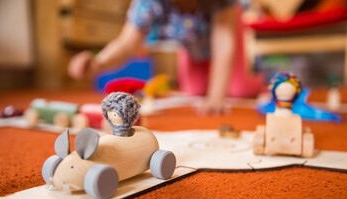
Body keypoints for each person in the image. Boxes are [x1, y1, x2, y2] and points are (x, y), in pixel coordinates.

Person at [69, 0, 263, 114]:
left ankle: (259, 80)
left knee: (236, 92)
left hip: (228, 42)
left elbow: (223, 41)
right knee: (196, 94)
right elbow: (126, 43)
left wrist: (216, 96)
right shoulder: (149, 4)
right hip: (194, 50)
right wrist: (98, 63)